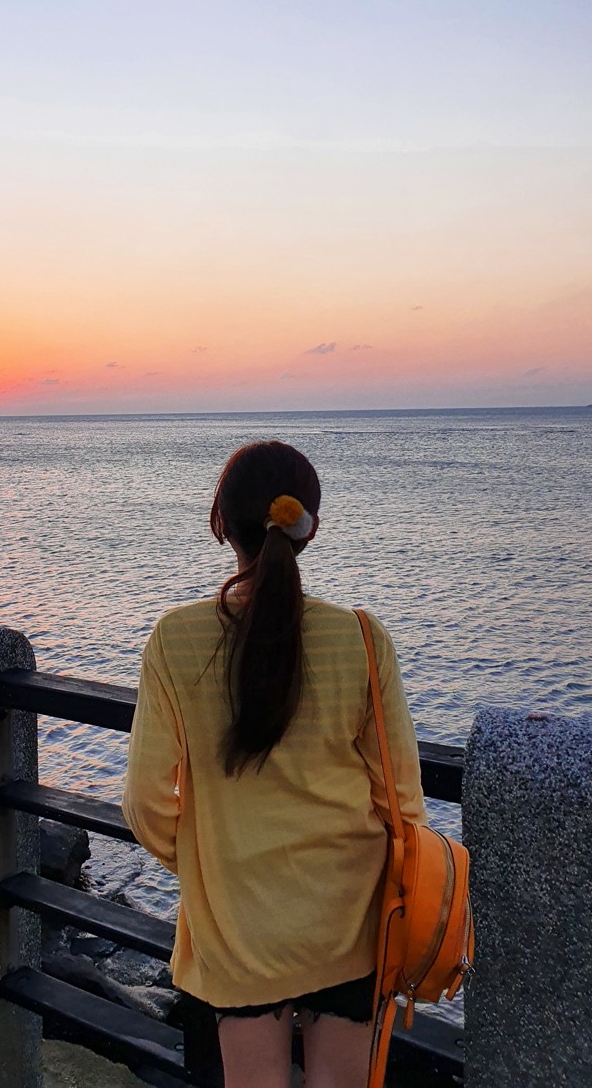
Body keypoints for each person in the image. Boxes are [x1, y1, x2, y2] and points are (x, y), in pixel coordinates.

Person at [122, 440, 427, 1088]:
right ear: (308, 529)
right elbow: (401, 801)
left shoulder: (175, 638)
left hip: (237, 922)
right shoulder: (363, 640)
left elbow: (146, 804)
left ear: (219, 523)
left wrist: (208, 862)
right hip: (350, 911)